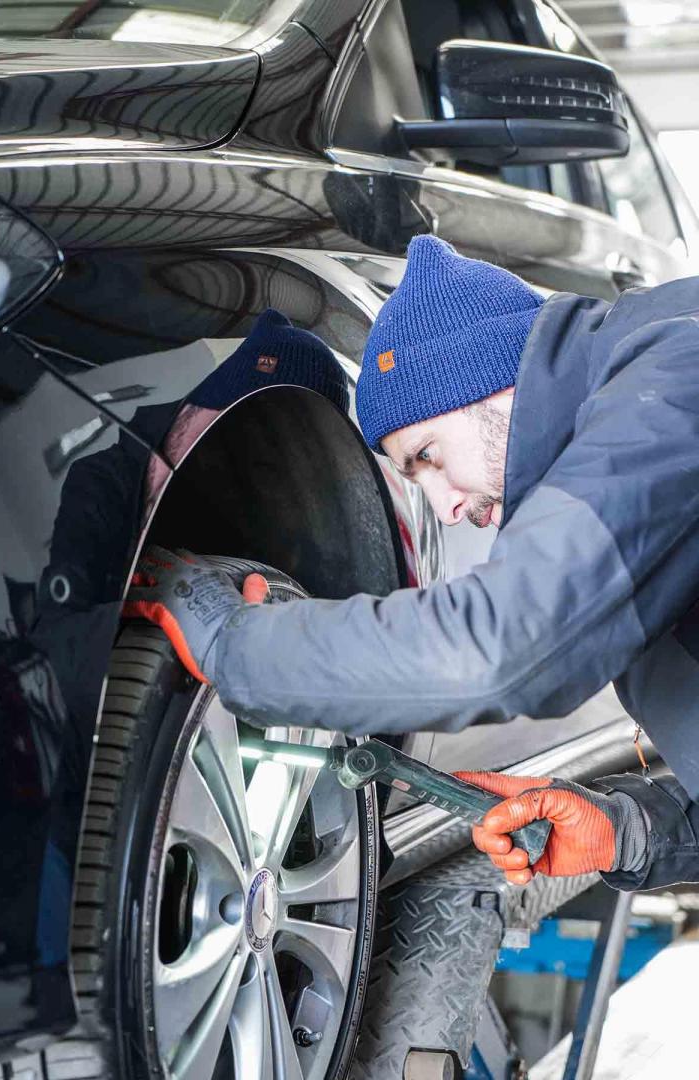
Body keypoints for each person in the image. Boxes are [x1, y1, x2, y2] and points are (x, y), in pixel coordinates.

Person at [125, 235, 699, 893]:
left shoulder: (676, 367)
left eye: (426, 455)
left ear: (489, 381)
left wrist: (235, 644)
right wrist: (631, 829)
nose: (445, 507)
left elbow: (502, 647)